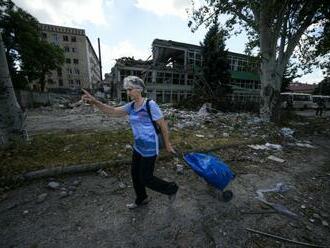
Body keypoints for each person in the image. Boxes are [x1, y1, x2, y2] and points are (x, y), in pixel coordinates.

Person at [81, 76, 178, 209]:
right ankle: (142, 198)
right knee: (135, 174)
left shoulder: (150, 104)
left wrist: (167, 145)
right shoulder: (131, 106)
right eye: (126, 90)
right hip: (138, 147)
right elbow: (113, 111)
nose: (127, 92)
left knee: (146, 178)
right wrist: (95, 102)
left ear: (139, 89)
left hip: (150, 148)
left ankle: (171, 189)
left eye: (130, 89)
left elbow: (163, 125)